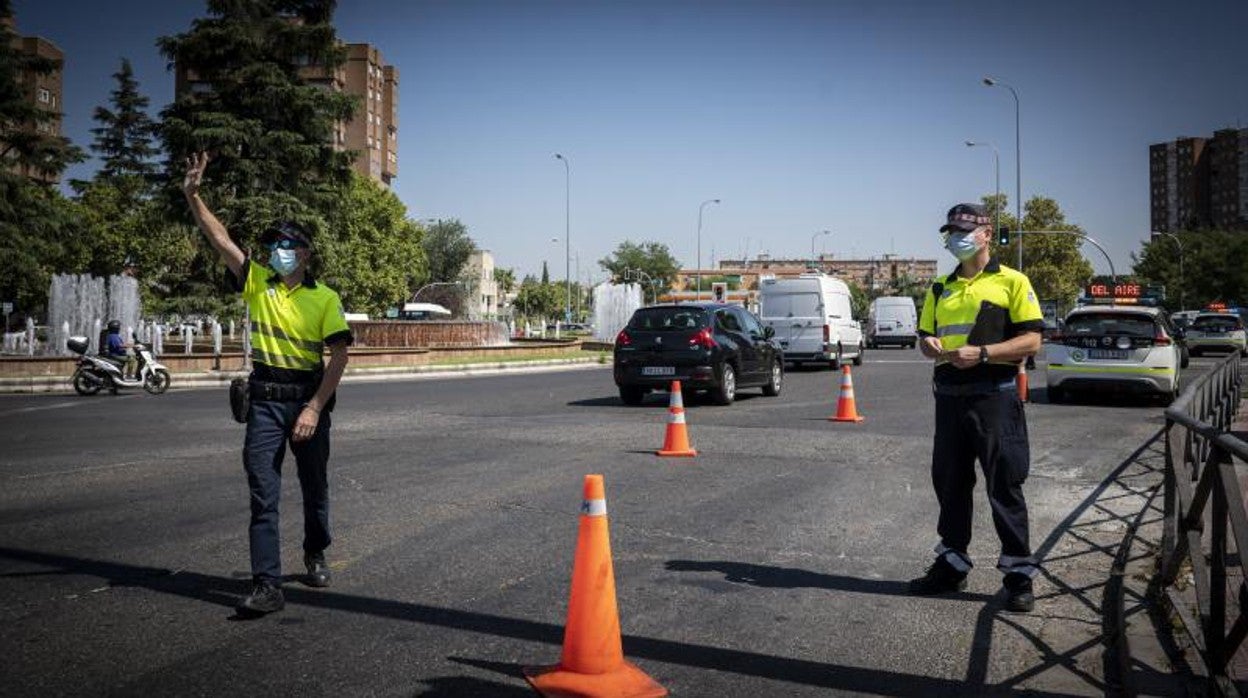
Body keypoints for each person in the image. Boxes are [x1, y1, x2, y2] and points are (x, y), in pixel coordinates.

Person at [182, 151, 353, 617]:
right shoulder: (257, 283)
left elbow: (339, 355)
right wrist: (194, 196)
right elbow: (221, 241)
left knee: (314, 487)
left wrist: (315, 407)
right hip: (264, 404)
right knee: (263, 494)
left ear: (304, 253)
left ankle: (316, 550)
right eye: (272, 243)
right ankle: (266, 584)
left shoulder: (325, 298)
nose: (276, 250)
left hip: (308, 401)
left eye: (285, 244)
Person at [909, 203, 1044, 613]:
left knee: (1004, 483)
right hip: (949, 398)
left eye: (964, 230)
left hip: (995, 395)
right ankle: (951, 563)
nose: (955, 238)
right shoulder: (939, 288)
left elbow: (1032, 340)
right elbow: (925, 339)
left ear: (987, 233)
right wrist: (929, 345)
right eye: (950, 232)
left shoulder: (1012, 282)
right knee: (950, 484)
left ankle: (1019, 575)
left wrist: (983, 353)